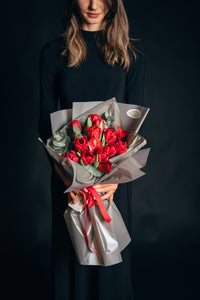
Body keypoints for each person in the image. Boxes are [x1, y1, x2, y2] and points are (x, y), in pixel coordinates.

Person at [38, 0, 144, 299]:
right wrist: (66, 178)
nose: (94, 4)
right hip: (68, 174)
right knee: (71, 251)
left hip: (114, 176)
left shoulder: (130, 56)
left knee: (111, 257)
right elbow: (44, 120)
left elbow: (133, 124)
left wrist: (113, 180)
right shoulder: (53, 52)